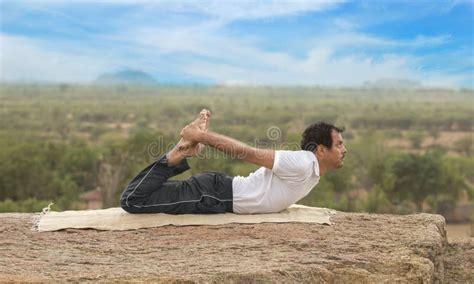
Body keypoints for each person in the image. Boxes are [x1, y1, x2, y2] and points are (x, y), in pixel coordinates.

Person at [120, 109, 347, 214]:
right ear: (320, 149)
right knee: (133, 200)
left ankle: (180, 152)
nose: (344, 150)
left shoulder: (312, 169)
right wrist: (200, 137)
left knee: (141, 197)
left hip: (217, 193)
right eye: (339, 144)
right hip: (215, 195)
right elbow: (246, 152)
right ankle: (177, 153)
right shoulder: (302, 163)